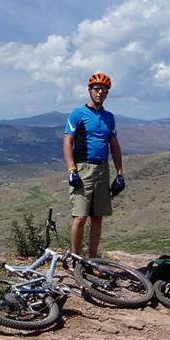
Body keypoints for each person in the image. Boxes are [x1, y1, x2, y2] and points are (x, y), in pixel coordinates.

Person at [63, 72, 125, 258]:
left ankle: (92, 259)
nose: (100, 93)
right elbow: (67, 142)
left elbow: (114, 145)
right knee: (80, 217)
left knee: (97, 217)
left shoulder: (109, 117)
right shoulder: (77, 114)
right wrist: (72, 170)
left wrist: (120, 174)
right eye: (97, 89)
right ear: (89, 91)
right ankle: (75, 259)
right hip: (83, 168)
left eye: (104, 90)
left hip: (102, 169)